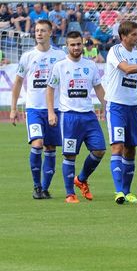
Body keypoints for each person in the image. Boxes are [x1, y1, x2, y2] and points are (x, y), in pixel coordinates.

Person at [46, 31, 107, 203]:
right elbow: (50, 89)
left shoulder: (91, 65)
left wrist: (107, 108)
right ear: (67, 46)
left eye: (78, 44)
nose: (76, 47)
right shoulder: (60, 66)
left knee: (99, 150)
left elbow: (99, 88)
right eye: (72, 45)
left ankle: (81, 179)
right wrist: (51, 112)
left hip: (89, 115)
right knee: (70, 155)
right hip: (69, 116)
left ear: (83, 44)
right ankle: (69, 193)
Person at [10, 20, 66, 199]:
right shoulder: (28, 56)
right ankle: (36, 186)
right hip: (34, 109)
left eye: (43, 30)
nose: (39, 33)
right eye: (37, 30)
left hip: (55, 108)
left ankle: (44, 187)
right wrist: (13, 108)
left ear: (50, 33)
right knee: (38, 144)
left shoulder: (60, 55)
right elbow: (18, 82)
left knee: (50, 148)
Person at [103, 21, 137, 205]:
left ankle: (127, 192)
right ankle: (118, 191)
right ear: (123, 36)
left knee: (131, 149)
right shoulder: (116, 51)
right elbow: (126, 69)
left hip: (133, 106)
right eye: (134, 34)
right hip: (116, 106)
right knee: (117, 146)